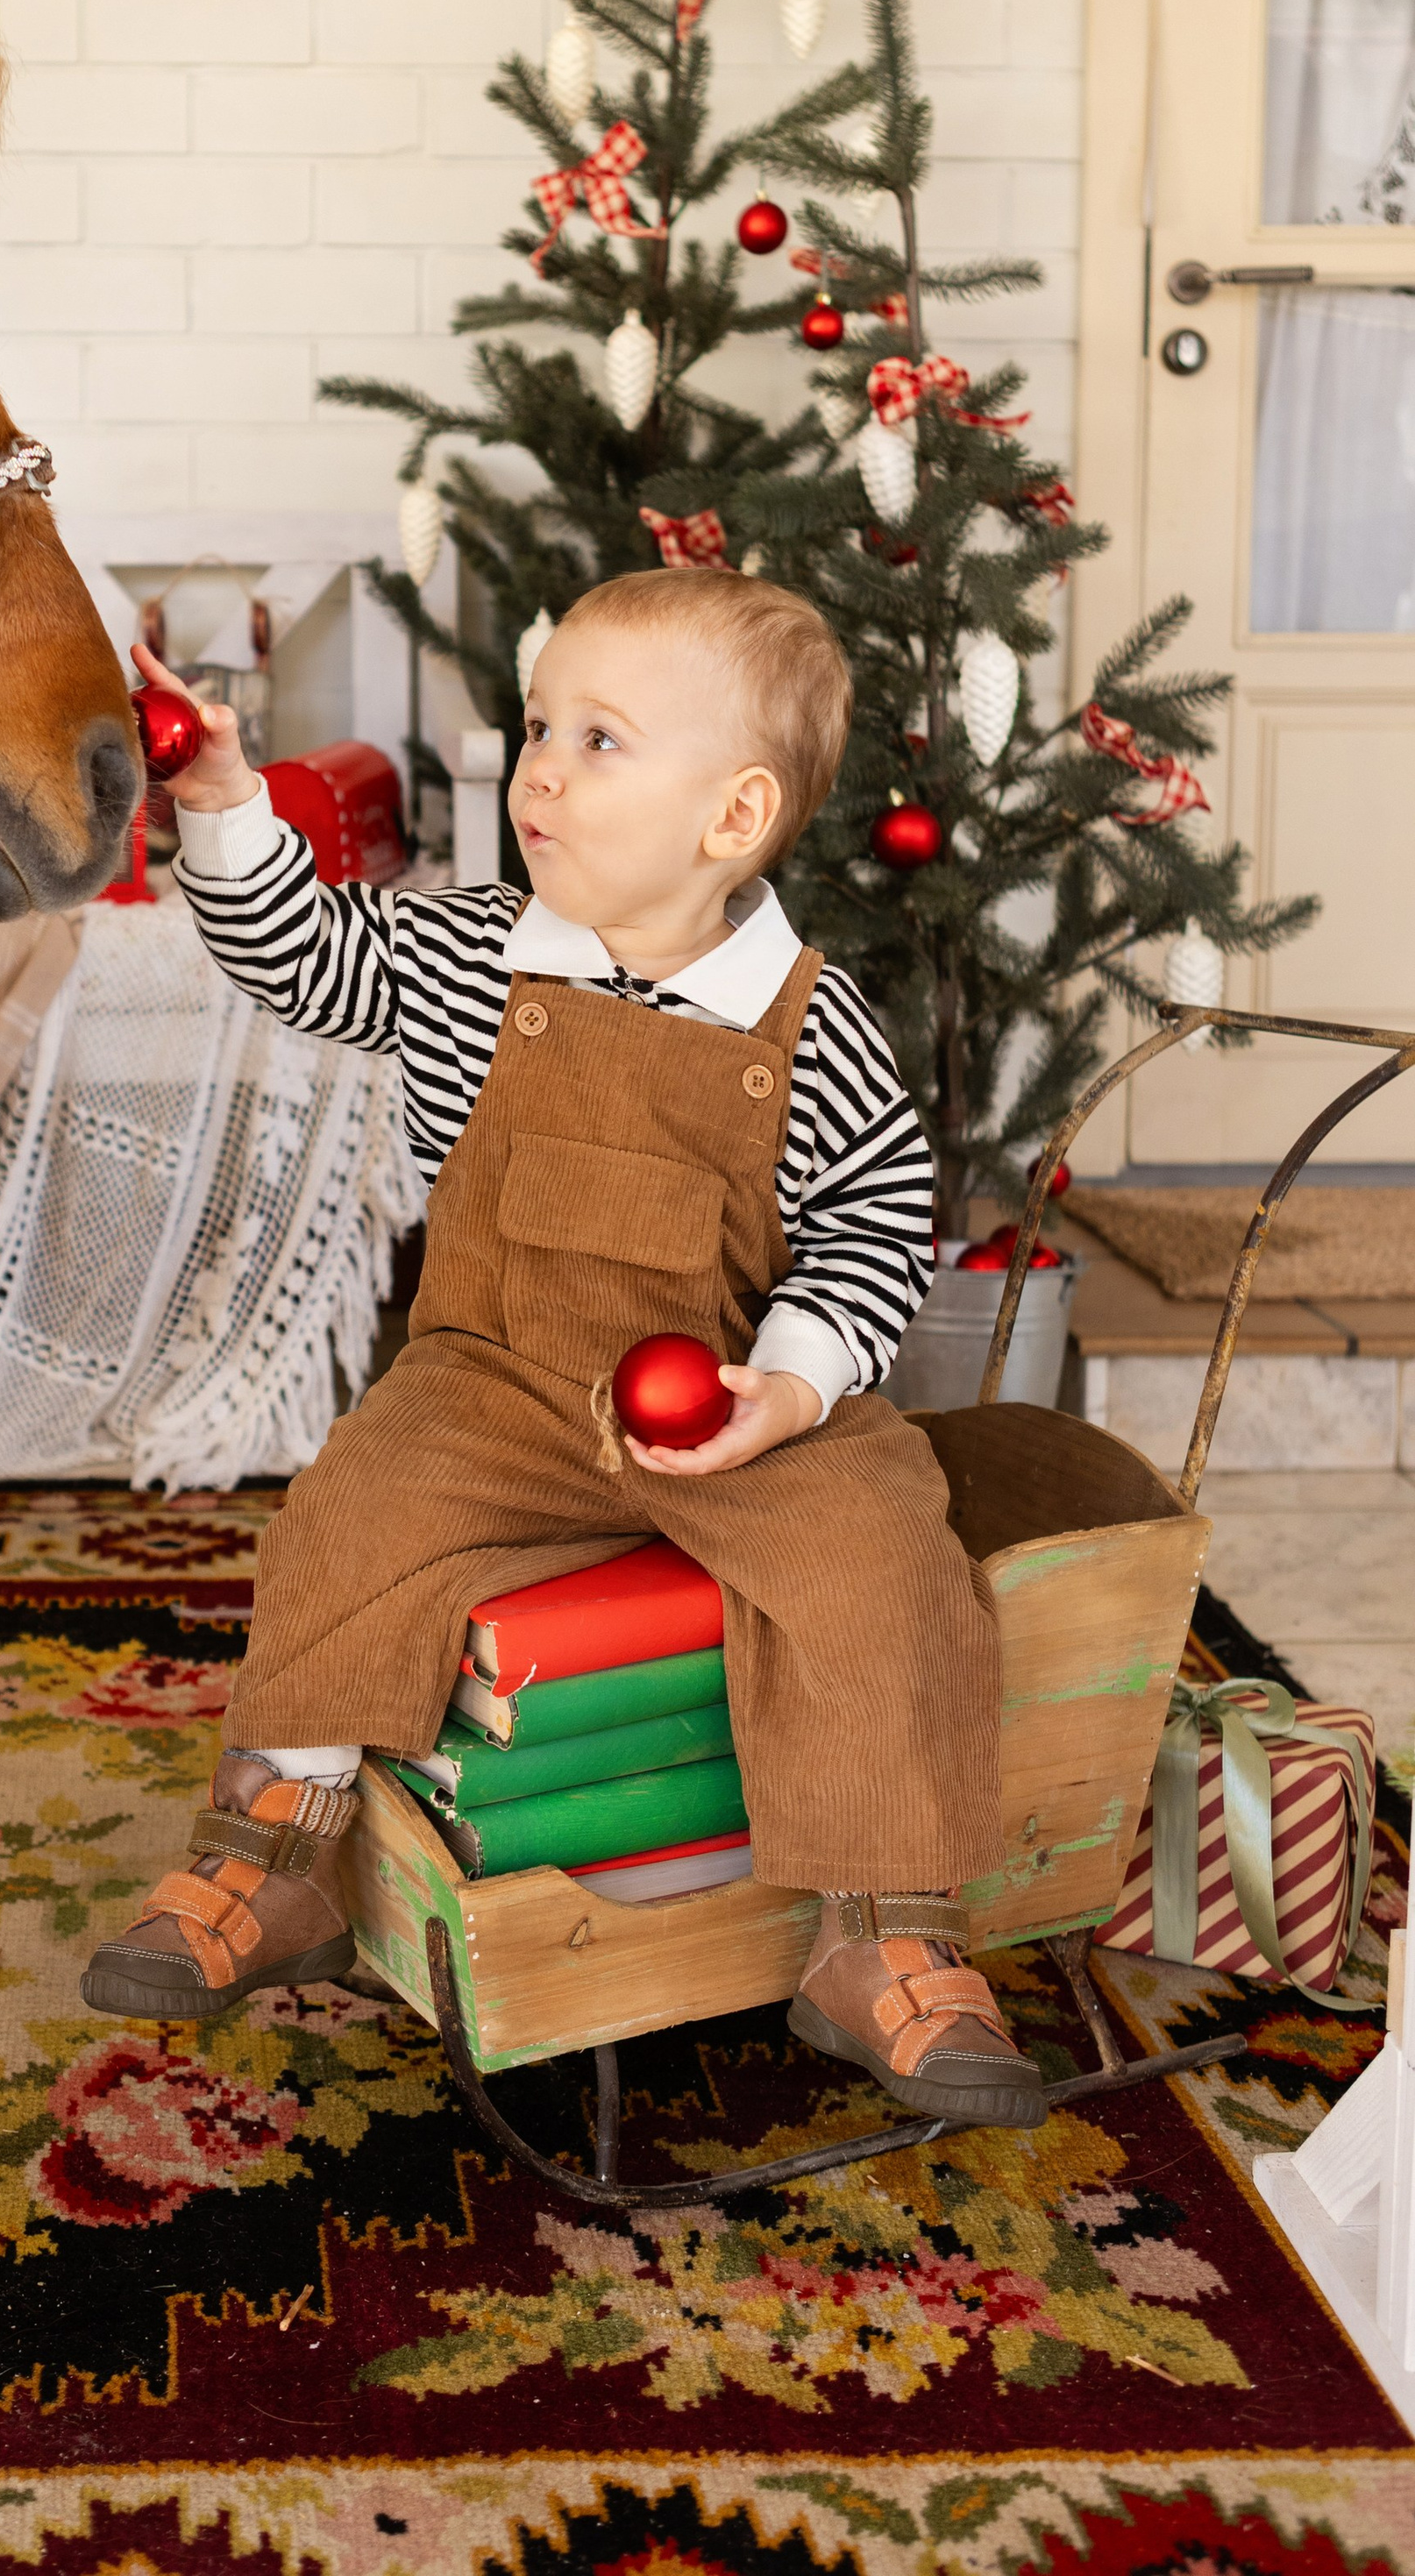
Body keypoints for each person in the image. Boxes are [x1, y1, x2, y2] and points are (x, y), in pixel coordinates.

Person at [80, 569, 1038, 2128]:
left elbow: (877, 1222)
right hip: (500, 1380)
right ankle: (275, 1852)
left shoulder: (810, 1021)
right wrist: (225, 796)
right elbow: (297, 954)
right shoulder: (470, 954)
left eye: (600, 741)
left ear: (732, 818)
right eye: (539, 727)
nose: (539, 769)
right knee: (355, 1511)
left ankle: (889, 1933)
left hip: (733, 1398)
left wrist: (788, 1386)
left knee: (883, 1551)